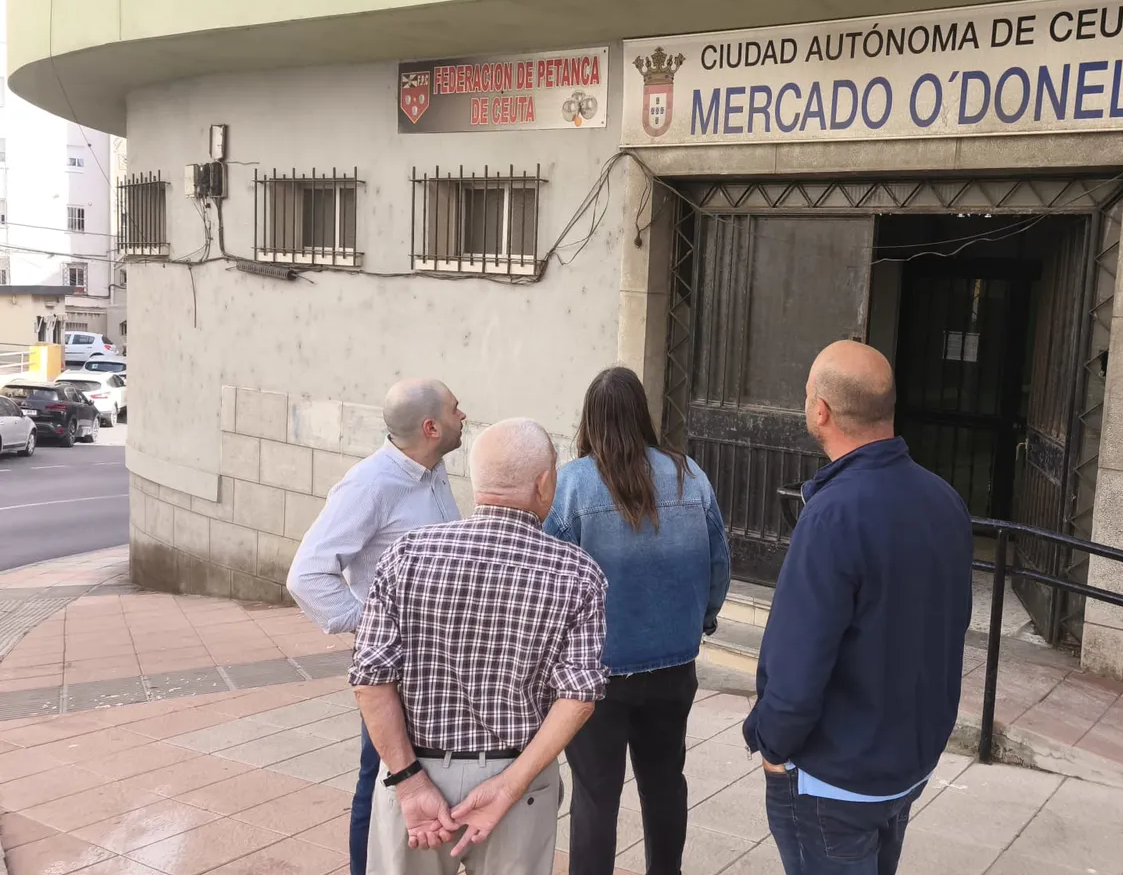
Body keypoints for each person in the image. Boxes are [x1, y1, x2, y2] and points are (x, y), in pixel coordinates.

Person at [743, 341, 972, 875]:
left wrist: (772, 745)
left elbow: (799, 659)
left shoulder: (831, 516)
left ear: (820, 410)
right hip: (906, 763)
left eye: (806, 394)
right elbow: (950, 626)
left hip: (834, 781)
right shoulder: (945, 500)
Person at [351, 417, 607, 875]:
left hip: (416, 769)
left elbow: (370, 678)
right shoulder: (578, 574)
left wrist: (409, 783)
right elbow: (579, 697)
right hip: (520, 782)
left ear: (476, 480)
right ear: (544, 483)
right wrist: (507, 788)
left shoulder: (407, 554)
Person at [545, 367, 730, 875]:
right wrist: (703, 619)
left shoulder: (572, 485)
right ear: (642, 415)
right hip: (673, 665)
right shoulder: (689, 474)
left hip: (594, 673)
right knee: (665, 783)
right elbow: (719, 561)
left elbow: (549, 577)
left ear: (589, 420)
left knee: (595, 796)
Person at [287, 378, 466, 875]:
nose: (463, 416)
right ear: (431, 427)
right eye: (455, 409)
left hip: (438, 664)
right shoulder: (370, 485)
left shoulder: (433, 471)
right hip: (396, 669)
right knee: (385, 773)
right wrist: (374, 627)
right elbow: (307, 576)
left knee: (419, 775)